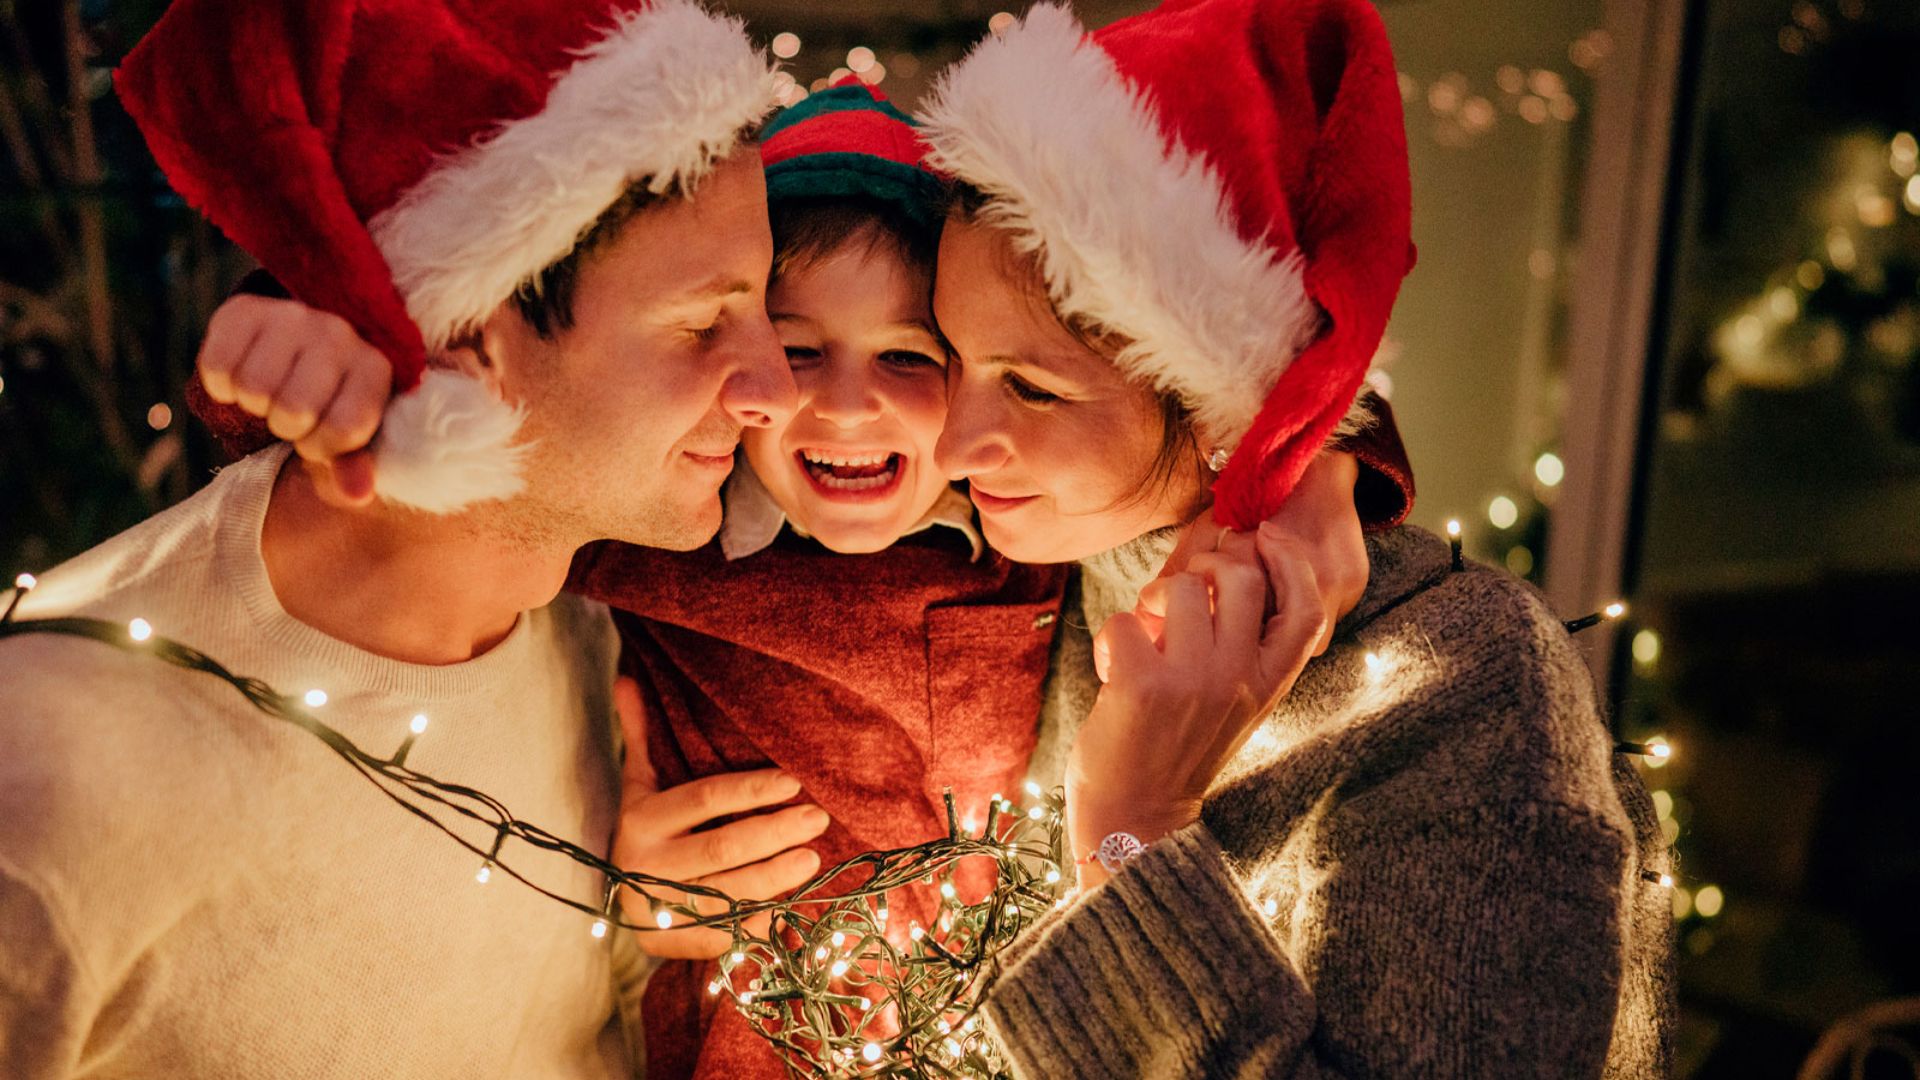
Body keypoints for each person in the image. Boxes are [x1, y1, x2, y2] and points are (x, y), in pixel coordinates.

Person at [181, 74, 1418, 1078]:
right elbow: (463, 455)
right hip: (731, 1021)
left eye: (913, 355)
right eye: (795, 345)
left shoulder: (1018, 521)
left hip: (998, 1025)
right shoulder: (668, 531)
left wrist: (1332, 462)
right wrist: (299, 334)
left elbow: (1185, 402)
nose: (848, 400)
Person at [0, 1, 832, 1076]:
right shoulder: (60, 763)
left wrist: (628, 932)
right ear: (467, 338)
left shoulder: (585, 635)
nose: (775, 389)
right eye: (702, 323)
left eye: (764, 308)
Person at [913, 0, 1677, 1075]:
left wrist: (1133, 836)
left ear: (1223, 397)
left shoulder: (1459, 685)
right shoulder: (1029, 571)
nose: (951, 443)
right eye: (947, 357)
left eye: (1030, 387)